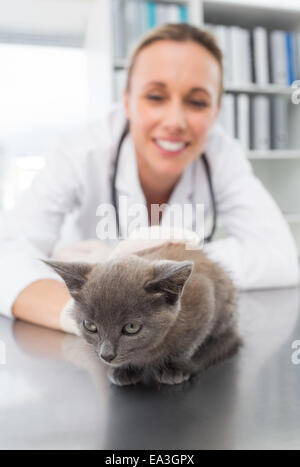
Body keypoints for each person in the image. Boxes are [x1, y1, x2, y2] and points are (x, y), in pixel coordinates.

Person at [0, 23, 298, 334]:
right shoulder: (81, 151)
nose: (175, 121)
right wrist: (76, 315)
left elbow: (279, 257)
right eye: (156, 96)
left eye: (197, 102)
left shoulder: (221, 153)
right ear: (127, 101)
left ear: (216, 111)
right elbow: (7, 249)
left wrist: (164, 266)